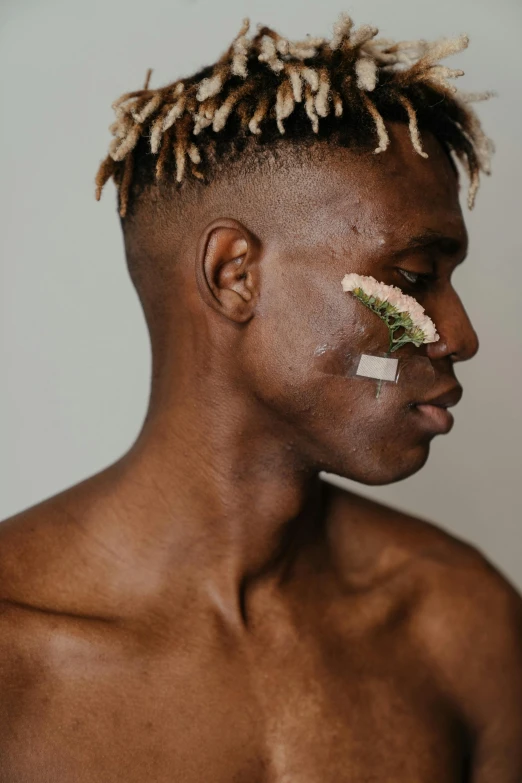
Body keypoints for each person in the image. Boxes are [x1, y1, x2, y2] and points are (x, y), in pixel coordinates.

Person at [1, 14, 521, 782]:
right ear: (235, 275)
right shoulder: (16, 659)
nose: (460, 334)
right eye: (413, 277)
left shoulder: (458, 622)